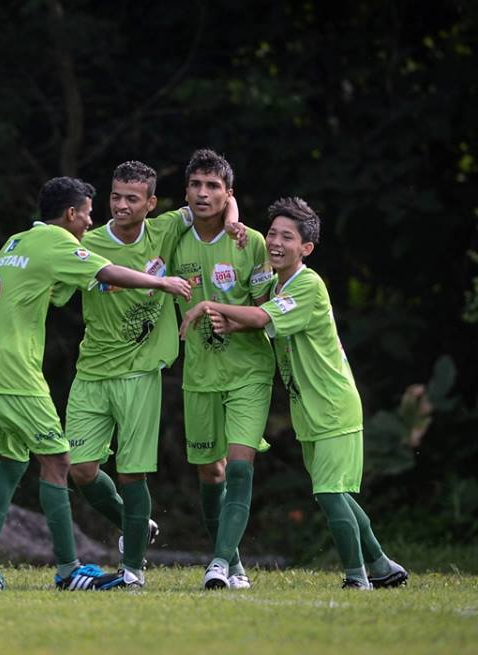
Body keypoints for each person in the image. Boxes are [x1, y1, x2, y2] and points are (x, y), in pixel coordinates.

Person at [0, 176, 192, 591]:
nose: (90, 221)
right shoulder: (57, 243)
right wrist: (161, 282)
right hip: (16, 375)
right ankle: (68, 570)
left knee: (12, 464)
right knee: (59, 462)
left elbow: (19, 293)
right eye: (87, 212)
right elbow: (105, 268)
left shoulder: (16, 242)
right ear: (70, 213)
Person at [180, 197, 409, 589]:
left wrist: (205, 304)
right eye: (272, 233)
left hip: (333, 404)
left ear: (306, 248)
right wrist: (233, 220)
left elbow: (260, 316)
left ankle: (358, 578)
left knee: (331, 494)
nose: (275, 242)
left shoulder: (307, 283)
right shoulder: (276, 283)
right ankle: (382, 565)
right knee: (335, 494)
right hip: (308, 407)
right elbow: (257, 313)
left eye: (287, 237)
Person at [63, 160, 242, 588]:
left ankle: (133, 572)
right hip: (91, 370)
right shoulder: (87, 243)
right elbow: (45, 282)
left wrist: (234, 223)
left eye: (131, 198)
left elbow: (221, 199)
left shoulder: (165, 228)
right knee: (80, 469)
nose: (120, 205)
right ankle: (136, 524)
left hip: (142, 372)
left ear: (150, 203)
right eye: (114, 196)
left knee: (132, 471)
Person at [171, 149, 274, 590]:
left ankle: (217, 562)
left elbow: (270, 304)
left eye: (213, 186)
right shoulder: (173, 237)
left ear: (228, 194)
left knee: (238, 466)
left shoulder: (249, 242)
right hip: (199, 373)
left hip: (249, 370)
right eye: (195, 184)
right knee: (209, 472)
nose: (203, 193)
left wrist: (231, 315)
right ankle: (230, 560)